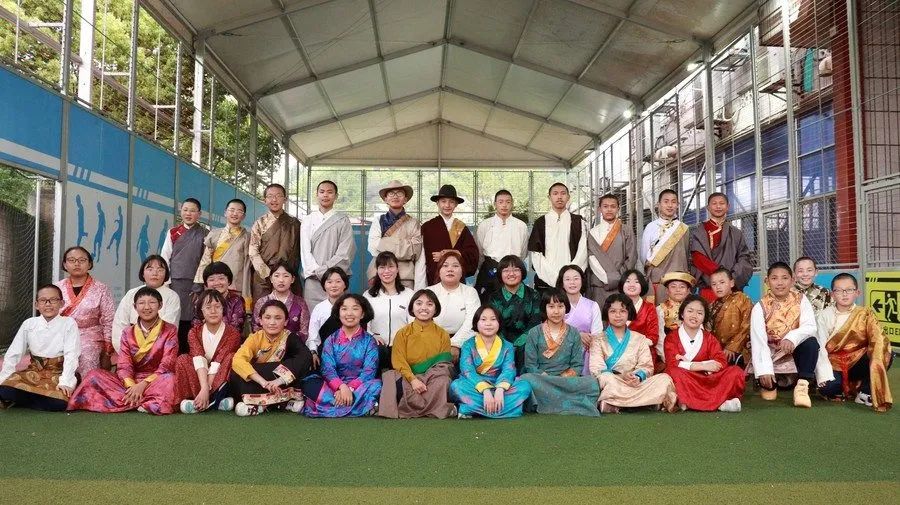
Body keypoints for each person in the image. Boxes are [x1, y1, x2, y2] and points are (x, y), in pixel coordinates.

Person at [67, 287, 179, 415]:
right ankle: (145, 401)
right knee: (94, 375)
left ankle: (132, 400)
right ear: (135, 307)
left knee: (170, 379)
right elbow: (124, 365)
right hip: (130, 382)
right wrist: (132, 386)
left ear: (160, 305)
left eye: (152, 302)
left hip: (157, 380)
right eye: (141, 303)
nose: (147, 307)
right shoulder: (128, 332)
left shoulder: (170, 330)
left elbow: (167, 364)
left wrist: (142, 385)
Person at [750, 262, 833, 407]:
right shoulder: (760, 306)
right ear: (767, 281)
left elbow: (810, 326)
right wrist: (764, 370)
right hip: (772, 353)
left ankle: (802, 385)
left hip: (794, 349)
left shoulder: (801, 300)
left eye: (784, 278)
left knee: (811, 343)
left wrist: (791, 338)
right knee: (769, 396)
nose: (780, 283)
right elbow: (758, 341)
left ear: (792, 280)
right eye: (774, 278)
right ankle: (769, 380)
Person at [817, 273, 892, 412]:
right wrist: (823, 374)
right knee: (829, 388)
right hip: (833, 363)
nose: (844, 294)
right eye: (839, 290)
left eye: (849, 290)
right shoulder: (823, 315)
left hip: (858, 361)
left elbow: (878, 339)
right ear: (832, 294)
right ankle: (841, 386)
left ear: (857, 293)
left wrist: (877, 357)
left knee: (885, 352)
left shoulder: (865, 314)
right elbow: (820, 347)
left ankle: (865, 391)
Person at [590, 294, 677, 413]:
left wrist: (637, 377)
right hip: (614, 381)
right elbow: (597, 368)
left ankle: (617, 403)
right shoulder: (598, 339)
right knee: (606, 378)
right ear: (606, 313)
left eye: (622, 311)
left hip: (636, 383)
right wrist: (622, 376)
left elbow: (646, 366)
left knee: (664, 379)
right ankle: (646, 403)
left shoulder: (640, 338)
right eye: (613, 311)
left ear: (629, 313)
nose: (618, 315)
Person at [520, 289, 600, 416]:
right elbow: (530, 365)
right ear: (544, 308)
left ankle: (551, 400)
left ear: (566, 308)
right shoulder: (534, 333)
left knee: (592, 382)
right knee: (526, 379)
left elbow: (577, 365)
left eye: (560, 306)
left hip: (565, 381)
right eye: (551, 307)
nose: (556, 311)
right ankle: (568, 401)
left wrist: (562, 378)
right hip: (542, 380)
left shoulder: (574, 332)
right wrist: (547, 377)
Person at [378, 289, 457, 419]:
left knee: (443, 380)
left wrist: (424, 379)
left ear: (435, 309)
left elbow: (443, 364)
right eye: (419, 303)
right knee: (390, 376)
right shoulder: (402, 333)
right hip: (408, 377)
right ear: (412, 308)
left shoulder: (442, 334)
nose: (424, 308)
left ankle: (408, 407)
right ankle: (434, 408)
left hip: (432, 379)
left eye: (429, 304)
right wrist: (413, 380)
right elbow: (398, 361)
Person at [0, 285, 80, 411]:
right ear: (36, 305)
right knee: (5, 390)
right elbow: (14, 353)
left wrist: (66, 382)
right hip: (33, 372)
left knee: (59, 403)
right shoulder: (29, 324)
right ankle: (35, 400)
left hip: (57, 373)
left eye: (53, 300)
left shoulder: (69, 323)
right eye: (43, 300)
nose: (48, 304)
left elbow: (72, 354)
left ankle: (22, 401)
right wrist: (4, 378)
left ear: (61, 303)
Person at [302, 294, 382, 417]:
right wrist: (341, 387)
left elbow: (369, 371)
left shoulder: (369, 341)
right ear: (338, 313)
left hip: (360, 386)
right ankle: (361, 406)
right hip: (334, 385)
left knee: (377, 385)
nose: (349, 313)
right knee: (310, 383)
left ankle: (334, 404)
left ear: (362, 314)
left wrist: (350, 388)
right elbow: (327, 369)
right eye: (344, 309)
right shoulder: (331, 340)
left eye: (355, 309)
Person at [229, 300, 313, 416]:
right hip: (259, 381)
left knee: (302, 362)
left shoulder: (290, 337)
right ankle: (278, 403)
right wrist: (263, 382)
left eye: (278, 318)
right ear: (260, 320)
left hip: (280, 381)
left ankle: (258, 405)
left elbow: (305, 357)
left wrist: (279, 381)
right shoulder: (255, 338)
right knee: (237, 372)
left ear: (286, 321)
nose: (272, 322)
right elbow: (238, 360)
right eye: (267, 318)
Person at [664, 295, 745, 412]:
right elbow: (672, 363)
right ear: (682, 314)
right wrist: (702, 365)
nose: (694, 316)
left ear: (704, 317)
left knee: (736, 372)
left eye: (699, 313)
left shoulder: (709, 338)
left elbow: (721, 361)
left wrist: (706, 367)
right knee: (674, 372)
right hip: (686, 378)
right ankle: (720, 403)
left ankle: (690, 402)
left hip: (707, 379)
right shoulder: (672, 338)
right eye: (690, 311)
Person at [450, 305, 532, 418]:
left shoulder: (507, 346)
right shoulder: (468, 345)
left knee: (524, 386)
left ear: (499, 323)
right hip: (474, 386)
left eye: (493, 319)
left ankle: (470, 408)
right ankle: (505, 410)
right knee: (456, 386)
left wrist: (500, 389)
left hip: (500, 385)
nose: (488, 323)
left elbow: (509, 370)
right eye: (483, 319)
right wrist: (485, 390)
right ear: (476, 323)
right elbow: (467, 371)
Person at [175, 289, 241, 414]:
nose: (213, 311)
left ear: (223, 309)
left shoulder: (233, 333)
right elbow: (198, 358)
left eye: (217, 307)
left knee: (231, 358)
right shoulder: (194, 332)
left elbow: (219, 361)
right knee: (182, 359)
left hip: (218, 375)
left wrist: (207, 389)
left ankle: (209, 399)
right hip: (200, 377)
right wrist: (204, 388)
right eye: (208, 307)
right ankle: (204, 400)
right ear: (201, 310)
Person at [56, 246, 115, 377]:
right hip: (61, 335)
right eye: (71, 260)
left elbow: (109, 320)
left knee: (86, 357)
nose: (77, 263)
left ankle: (86, 389)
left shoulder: (101, 288)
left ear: (89, 264)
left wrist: (107, 353)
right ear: (65, 264)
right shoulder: (56, 288)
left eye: (82, 260)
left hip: (91, 337)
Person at [160, 197, 209, 348]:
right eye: (185, 210)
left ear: (199, 214)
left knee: (193, 317)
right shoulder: (173, 232)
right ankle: (173, 349)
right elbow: (165, 257)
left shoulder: (205, 233)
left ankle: (191, 350)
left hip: (196, 283)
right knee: (175, 315)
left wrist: (199, 285)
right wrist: (166, 282)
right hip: (175, 282)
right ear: (181, 211)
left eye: (192, 211)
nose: (188, 213)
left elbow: (206, 261)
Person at [300, 180, 356, 309]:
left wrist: (325, 272)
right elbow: (304, 250)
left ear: (336, 196)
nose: (325, 195)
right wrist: (316, 270)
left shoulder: (343, 220)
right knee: (313, 317)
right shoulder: (308, 220)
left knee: (339, 316)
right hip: (313, 279)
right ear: (317, 194)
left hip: (336, 281)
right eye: (322, 192)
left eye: (330, 192)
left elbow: (345, 253)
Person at [689, 193, 753, 302]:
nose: (718, 206)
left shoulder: (736, 233)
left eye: (722, 203)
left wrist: (731, 278)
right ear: (708, 207)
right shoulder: (699, 231)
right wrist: (720, 275)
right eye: (714, 203)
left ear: (728, 207)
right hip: (708, 286)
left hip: (731, 287)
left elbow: (744, 258)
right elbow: (697, 257)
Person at [112, 255, 181, 353]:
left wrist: (147, 354)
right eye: (150, 269)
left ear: (166, 274)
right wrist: (125, 351)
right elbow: (120, 324)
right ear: (143, 273)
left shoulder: (172, 296)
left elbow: (169, 327)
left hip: (160, 352)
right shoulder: (131, 293)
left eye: (160, 270)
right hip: (129, 350)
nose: (155, 273)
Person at [527, 183, 588, 292]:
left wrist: (569, 277)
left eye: (563, 193)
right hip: (545, 282)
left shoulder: (578, 222)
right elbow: (536, 255)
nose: (559, 197)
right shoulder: (540, 223)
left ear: (568, 197)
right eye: (555, 193)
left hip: (572, 283)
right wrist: (554, 279)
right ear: (549, 197)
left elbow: (583, 252)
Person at [366, 180, 425, 289]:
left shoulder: (414, 223)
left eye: (399, 193)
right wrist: (405, 246)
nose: (395, 196)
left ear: (405, 199)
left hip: (405, 276)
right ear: (385, 199)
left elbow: (415, 250)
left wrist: (383, 243)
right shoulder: (378, 220)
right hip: (379, 274)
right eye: (391, 193)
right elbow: (373, 247)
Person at [488, 255, 542, 371]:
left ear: (522, 272)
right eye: (506, 270)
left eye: (516, 270)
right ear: (500, 274)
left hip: (528, 342)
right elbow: (493, 324)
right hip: (501, 342)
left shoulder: (534, 295)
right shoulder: (494, 297)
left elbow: (535, 323)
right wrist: (507, 345)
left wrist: (518, 344)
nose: (511, 274)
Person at [249, 183, 302, 300]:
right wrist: (268, 274)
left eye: (278, 196)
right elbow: (253, 251)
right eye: (270, 196)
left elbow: (299, 252)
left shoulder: (294, 223)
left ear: (285, 199)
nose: (274, 199)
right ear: (265, 200)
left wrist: (285, 274)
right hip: (263, 277)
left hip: (287, 276)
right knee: (262, 309)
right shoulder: (259, 223)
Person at [419, 184, 480, 286]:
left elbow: (472, 255)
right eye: (443, 201)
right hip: (433, 280)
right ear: (437, 203)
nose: (447, 205)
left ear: (456, 204)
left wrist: (449, 254)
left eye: (451, 202)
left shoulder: (461, 228)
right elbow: (421, 258)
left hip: (456, 279)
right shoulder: (427, 227)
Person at [474, 190, 528, 303]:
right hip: (490, 269)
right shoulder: (485, 225)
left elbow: (523, 251)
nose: (504, 205)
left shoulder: (521, 226)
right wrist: (487, 266)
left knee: (514, 304)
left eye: (508, 202)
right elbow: (479, 251)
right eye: (501, 202)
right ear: (495, 204)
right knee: (487, 303)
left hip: (513, 268)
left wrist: (513, 265)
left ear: (512, 204)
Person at [193, 198, 251, 301]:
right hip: (215, 284)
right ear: (225, 213)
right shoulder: (214, 234)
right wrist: (200, 282)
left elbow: (248, 264)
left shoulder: (248, 237)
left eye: (239, 211)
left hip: (236, 285)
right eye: (232, 210)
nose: (235, 213)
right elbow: (206, 260)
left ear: (244, 216)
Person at [586, 193, 637, 309]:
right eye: (605, 206)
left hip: (622, 284)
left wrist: (619, 278)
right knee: (599, 317)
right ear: (599, 209)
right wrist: (606, 278)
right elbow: (591, 258)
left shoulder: (626, 230)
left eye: (613, 206)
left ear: (618, 208)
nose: (609, 209)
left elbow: (631, 257)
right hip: (599, 284)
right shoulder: (593, 232)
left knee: (620, 315)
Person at [364, 251, 413, 370]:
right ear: (377, 270)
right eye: (382, 267)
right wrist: (372, 336)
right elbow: (364, 324)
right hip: (377, 348)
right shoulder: (368, 296)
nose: (386, 271)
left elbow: (413, 323)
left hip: (403, 348)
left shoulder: (409, 294)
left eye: (391, 266)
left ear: (397, 269)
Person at [640, 189, 690, 303]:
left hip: (679, 281)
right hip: (658, 280)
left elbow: (686, 255)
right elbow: (644, 257)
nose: (670, 205)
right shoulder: (650, 227)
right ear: (659, 204)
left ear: (678, 205)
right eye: (666, 201)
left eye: (673, 202)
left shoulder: (683, 228)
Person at [428, 250, 480, 358]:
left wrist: (455, 344)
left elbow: (472, 321)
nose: (450, 269)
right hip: (432, 344)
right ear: (439, 271)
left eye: (455, 266)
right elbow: (421, 321)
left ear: (462, 272)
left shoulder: (470, 292)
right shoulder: (428, 292)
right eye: (445, 265)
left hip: (463, 344)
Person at [558, 265, 602, 376]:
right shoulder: (556, 305)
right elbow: (551, 331)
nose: (572, 282)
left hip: (587, 354)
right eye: (567, 279)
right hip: (560, 354)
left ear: (582, 281)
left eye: (576, 278)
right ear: (562, 283)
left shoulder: (592, 305)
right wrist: (577, 336)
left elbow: (597, 335)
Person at [252, 260, 310, 344]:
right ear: (271, 279)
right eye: (277, 276)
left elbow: (304, 332)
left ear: (292, 279)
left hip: (293, 346)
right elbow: (256, 328)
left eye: (286, 276)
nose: (281, 280)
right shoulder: (262, 302)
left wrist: (285, 342)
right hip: (266, 347)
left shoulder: (300, 303)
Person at [708, 268, 753, 366]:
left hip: (740, 349)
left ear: (731, 283)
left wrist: (732, 347)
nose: (718, 287)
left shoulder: (742, 299)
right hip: (719, 351)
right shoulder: (712, 306)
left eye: (722, 282)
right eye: (714, 284)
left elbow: (747, 325)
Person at [619, 269, 661, 369]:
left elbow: (653, 337)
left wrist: (633, 346)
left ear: (642, 285)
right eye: (628, 281)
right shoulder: (615, 306)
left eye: (636, 282)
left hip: (643, 355)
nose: (632, 285)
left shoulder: (649, 308)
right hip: (618, 353)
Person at [307, 267, 349, 362]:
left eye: (338, 281)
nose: (333, 285)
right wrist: (313, 352)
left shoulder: (353, 306)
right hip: (326, 353)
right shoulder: (319, 308)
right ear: (324, 286)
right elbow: (313, 336)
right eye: (329, 282)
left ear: (345, 284)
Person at [191, 262, 245, 332]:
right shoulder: (200, 300)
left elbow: (236, 327)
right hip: (204, 337)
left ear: (229, 281)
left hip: (230, 337)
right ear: (206, 283)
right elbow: (196, 327)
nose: (217, 283)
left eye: (221, 278)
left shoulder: (237, 300)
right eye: (211, 279)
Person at [656, 272, 696, 353]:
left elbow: (699, 331)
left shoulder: (694, 308)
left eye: (682, 287)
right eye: (673, 286)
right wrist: (666, 355)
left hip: (692, 348)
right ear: (667, 290)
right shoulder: (660, 309)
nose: (678, 290)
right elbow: (660, 336)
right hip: (669, 348)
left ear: (688, 291)